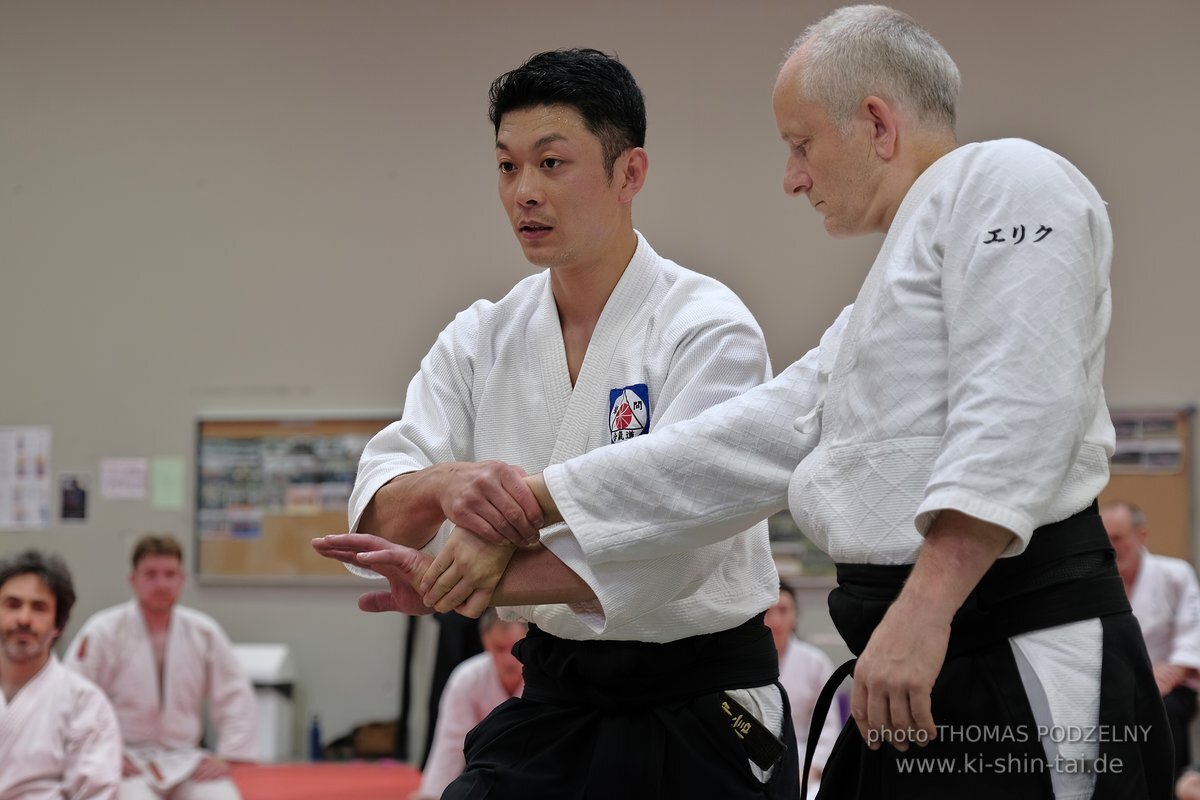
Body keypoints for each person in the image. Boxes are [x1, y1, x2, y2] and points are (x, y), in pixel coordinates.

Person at [370, 6, 1174, 798]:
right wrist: (532, 500)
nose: (793, 177)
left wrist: (927, 607)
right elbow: (740, 448)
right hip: (917, 654)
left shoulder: (1010, 179)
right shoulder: (871, 313)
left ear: (877, 125)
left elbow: (1019, 408)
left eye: (802, 145)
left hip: (1015, 640)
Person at [318, 47, 800, 799]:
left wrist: (480, 571)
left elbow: (671, 532)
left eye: (552, 163)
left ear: (629, 174)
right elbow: (383, 515)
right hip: (558, 695)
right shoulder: (481, 337)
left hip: (702, 703)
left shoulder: (707, 328)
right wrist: (452, 487)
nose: (524, 192)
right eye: (508, 167)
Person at [65, 534, 257, 800]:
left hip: (187, 759)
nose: (161, 584)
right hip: (125, 756)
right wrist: (100, 751)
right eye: (151, 574)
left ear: (182, 579)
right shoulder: (104, 630)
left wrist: (229, 755)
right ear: (133, 580)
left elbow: (233, 694)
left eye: (170, 574)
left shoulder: (203, 632)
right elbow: (74, 694)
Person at [0, 549, 122, 800]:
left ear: (58, 624)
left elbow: (96, 794)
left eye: (39, 608)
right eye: (13, 605)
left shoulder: (85, 704)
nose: (24, 619)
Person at [1102, 500, 1200, 778]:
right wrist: (1140, 677)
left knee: (1162, 711)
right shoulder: (1094, 585)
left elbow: (1192, 632)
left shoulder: (1175, 574)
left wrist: (1172, 673)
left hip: (1171, 684)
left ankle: (1174, 786)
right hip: (1115, 681)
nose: (1110, 547)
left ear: (1141, 535)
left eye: (1117, 538)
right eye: (1104, 539)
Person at [409, 610, 526, 800]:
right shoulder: (467, 677)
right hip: (485, 768)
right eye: (499, 648)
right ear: (485, 641)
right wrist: (432, 794)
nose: (508, 660)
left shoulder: (544, 679)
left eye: (514, 649)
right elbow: (452, 742)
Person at [764, 583, 840, 795]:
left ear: (796, 614)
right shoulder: (745, 665)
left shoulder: (816, 662)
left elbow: (828, 728)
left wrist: (811, 771)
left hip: (803, 759)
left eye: (784, 610)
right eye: (768, 611)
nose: (776, 619)